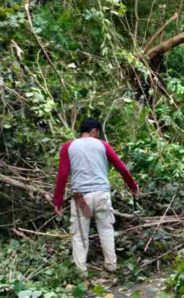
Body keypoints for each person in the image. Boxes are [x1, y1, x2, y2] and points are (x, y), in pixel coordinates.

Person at [54, 118, 139, 276]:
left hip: (81, 198)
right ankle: (111, 266)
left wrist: (57, 200)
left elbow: (63, 174)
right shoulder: (102, 145)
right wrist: (132, 186)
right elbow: (120, 167)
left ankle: (81, 272)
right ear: (94, 130)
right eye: (97, 132)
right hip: (101, 194)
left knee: (79, 235)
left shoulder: (68, 147)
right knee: (106, 230)